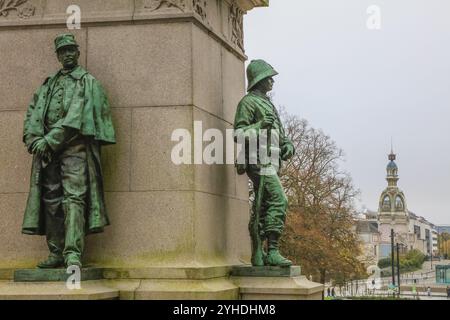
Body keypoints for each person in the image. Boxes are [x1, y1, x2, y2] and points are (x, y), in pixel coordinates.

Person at [22, 34, 116, 268]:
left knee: (74, 199)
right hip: (47, 152)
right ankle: (55, 252)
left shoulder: (86, 81)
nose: (68, 54)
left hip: (75, 148)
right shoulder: (48, 83)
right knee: (51, 200)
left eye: (71, 49)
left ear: (78, 51)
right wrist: (33, 139)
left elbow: (76, 116)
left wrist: (50, 140)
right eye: (63, 51)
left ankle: (72, 252)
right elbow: (33, 113)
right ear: (57, 55)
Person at [233, 60, 295, 267]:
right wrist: (260, 125)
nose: (272, 81)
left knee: (263, 207)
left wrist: (288, 146)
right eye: (269, 77)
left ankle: (260, 251)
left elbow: (282, 135)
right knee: (279, 200)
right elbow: (239, 133)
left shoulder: (268, 103)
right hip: (257, 160)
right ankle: (273, 251)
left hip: (272, 161)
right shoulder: (248, 102)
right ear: (259, 79)